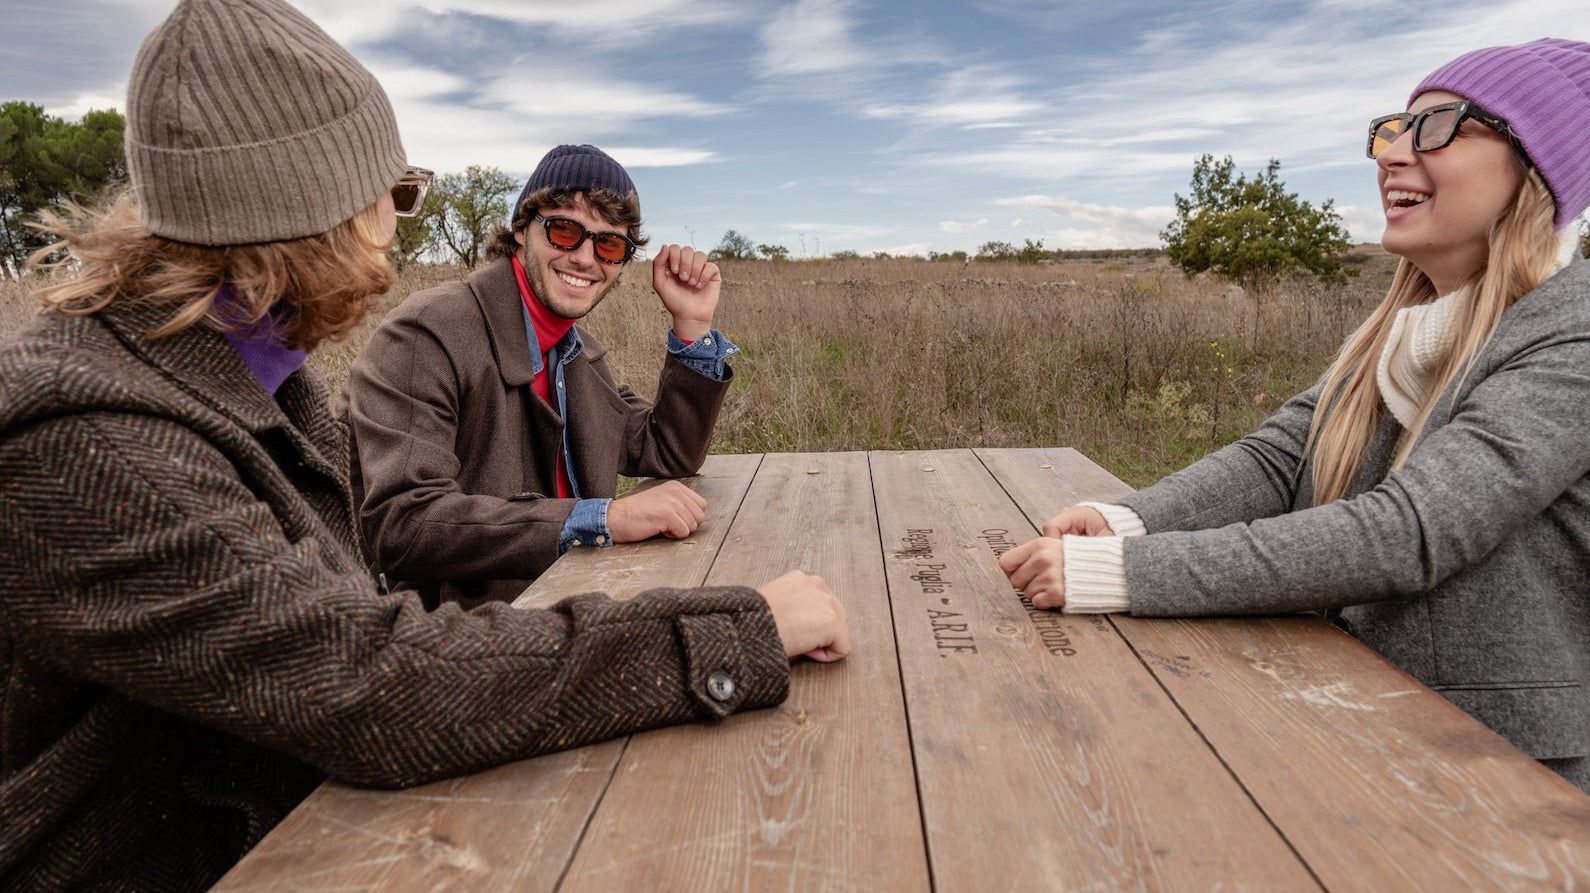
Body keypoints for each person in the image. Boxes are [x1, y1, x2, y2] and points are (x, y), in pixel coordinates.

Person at [0, 1, 849, 889]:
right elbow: (365, 678)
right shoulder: (93, 435)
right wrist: (728, 629)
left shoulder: (253, 375)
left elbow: (660, 449)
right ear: (317, 211)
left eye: (611, 244)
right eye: (395, 195)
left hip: (311, 789)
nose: (394, 230)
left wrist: (694, 338)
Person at [1000, 38, 1590, 794]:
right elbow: (1281, 457)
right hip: (1359, 715)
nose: (1394, 155)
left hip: (1498, 772)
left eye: (1438, 126)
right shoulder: (1405, 328)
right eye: (1392, 130)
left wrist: (1123, 572)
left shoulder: (1570, 329)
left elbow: (1412, 530)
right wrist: (1126, 521)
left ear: (1534, 166)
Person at [342, 145, 738, 609]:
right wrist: (602, 518)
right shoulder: (429, 333)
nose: (587, 258)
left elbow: (666, 450)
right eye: (564, 230)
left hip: (573, 612)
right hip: (461, 639)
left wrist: (692, 326)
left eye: (609, 244)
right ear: (521, 229)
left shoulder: (575, 350)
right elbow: (404, 524)